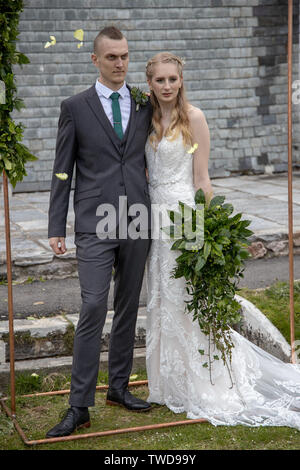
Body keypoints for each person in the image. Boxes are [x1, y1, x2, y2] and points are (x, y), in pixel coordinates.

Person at [144, 52, 300, 430]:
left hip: (185, 219)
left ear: (181, 81)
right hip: (152, 221)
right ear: (149, 83)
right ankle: (168, 384)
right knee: (162, 301)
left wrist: (211, 228)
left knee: (187, 301)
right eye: (159, 80)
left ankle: (209, 383)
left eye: (172, 79)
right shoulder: (145, 119)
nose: (167, 86)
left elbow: (202, 179)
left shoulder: (193, 119)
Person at [46, 26, 152, 438]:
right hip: (94, 223)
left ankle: (120, 388)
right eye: (111, 57)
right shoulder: (75, 107)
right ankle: (78, 406)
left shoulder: (143, 104)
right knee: (93, 306)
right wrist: (57, 225)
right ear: (95, 59)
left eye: (124, 55)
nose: (120, 63)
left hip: (138, 219)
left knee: (128, 307)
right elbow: (61, 170)